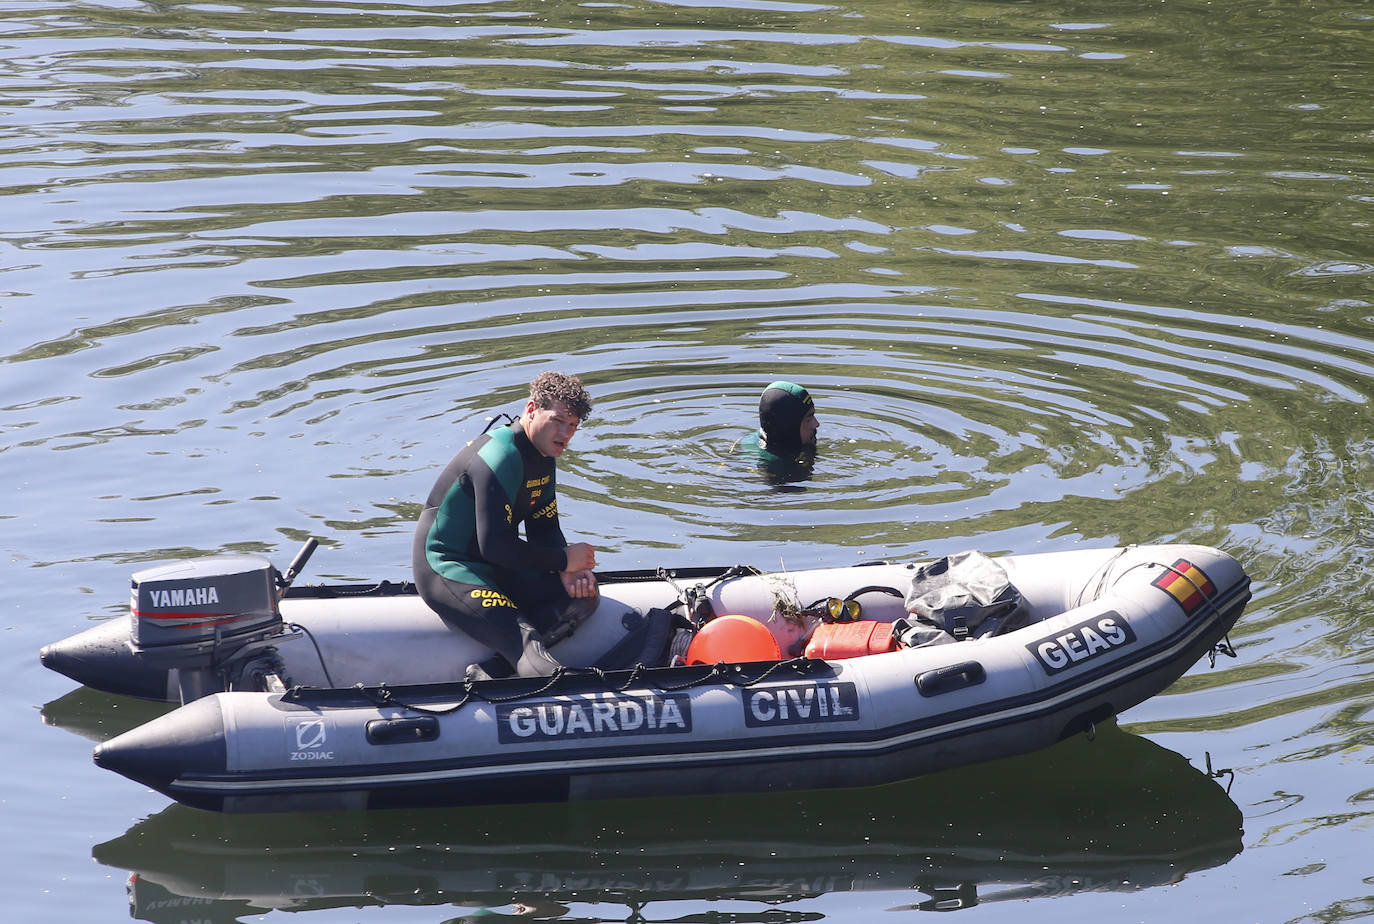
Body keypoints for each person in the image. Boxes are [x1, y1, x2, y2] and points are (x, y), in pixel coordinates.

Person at [413, 371, 599, 680]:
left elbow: (544, 528)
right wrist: (563, 559)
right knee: (525, 640)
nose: (565, 433)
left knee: (584, 595)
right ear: (531, 409)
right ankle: (571, 691)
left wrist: (567, 570)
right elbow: (495, 546)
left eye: (573, 425)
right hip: (449, 567)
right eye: (557, 421)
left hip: (494, 565)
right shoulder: (499, 455)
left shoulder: (543, 455)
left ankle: (492, 673)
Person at [738, 381, 819, 484]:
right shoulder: (779, 467)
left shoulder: (748, 439)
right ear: (789, 426)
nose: (816, 424)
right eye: (808, 418)